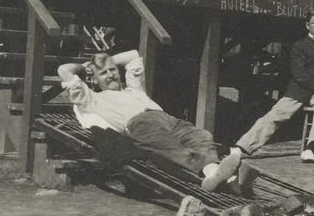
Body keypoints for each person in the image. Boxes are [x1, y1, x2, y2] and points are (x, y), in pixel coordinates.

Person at [57, 50, 246, 193]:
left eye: (113, 69)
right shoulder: (92, 98)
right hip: (140, 125)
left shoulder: (133, 89)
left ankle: (215, 174)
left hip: (167, 118)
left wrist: (105, 60)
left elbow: (133, 55)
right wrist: (87, 67)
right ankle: (218, 179)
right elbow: (64, 70)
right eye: (104, 73)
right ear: (95, 79)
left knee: (201, 136)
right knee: (172, 148)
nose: (111, 75)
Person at [231, 8, 314, 163]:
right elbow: (300, 75)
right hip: (300, 90)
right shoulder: (299, 46)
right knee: (276, 115)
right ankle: (241, 147)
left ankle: (311, 148)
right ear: (307, 25)